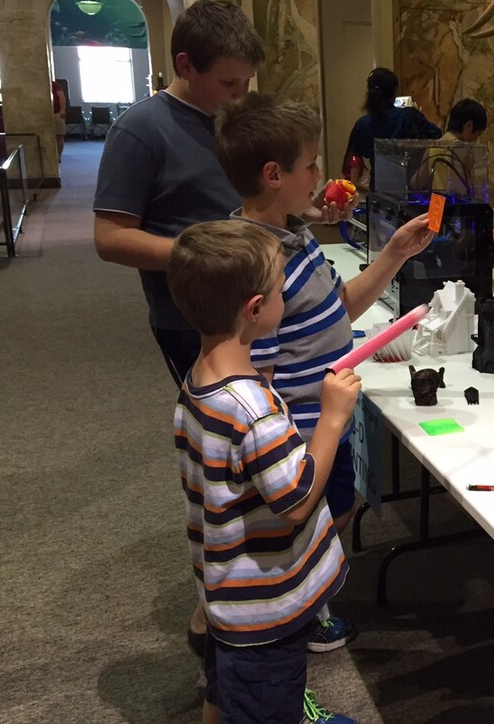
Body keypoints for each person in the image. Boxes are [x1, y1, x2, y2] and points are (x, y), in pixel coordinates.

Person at [217, 91, 436, 648]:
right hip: (302, 434)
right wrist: (287, 448)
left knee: (340, 504)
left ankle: (305, 598)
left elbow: (339, 306)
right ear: (274, 174)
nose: (321, 176)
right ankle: (292, 611)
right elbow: (253, 378)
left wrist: (395, 255)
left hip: (325, 420)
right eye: (311, 165)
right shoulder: (259, 265)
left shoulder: (295, 235)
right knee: (315, 517)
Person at [168, 219, 362, 724]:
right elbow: (296, 499)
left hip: (226, 596)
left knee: (225, 689)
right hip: (266, 612)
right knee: (266, 703)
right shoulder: (253, 411)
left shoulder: (198, 382)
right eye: (279, 291)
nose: (284, 298)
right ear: (257, 310)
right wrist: (332, 418)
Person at [93, 0, 266, 387]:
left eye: (246, 82)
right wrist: (207, 256)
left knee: (268, 424)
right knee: (223, 424)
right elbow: (109, 238)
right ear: (185, 66)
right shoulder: (139, 130)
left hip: (255, 305)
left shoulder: (233, 122)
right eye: (228, 83)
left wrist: (309, 206)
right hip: (192, 319)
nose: (241, 94)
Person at [341, 67, 442, 189]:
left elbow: (353, 157)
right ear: (394, 91)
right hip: (410, 190)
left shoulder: (362, 124)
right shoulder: (408, 116)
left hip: (379, 191)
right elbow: (437, 135)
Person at [52, 80, 67, 162]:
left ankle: (58, 157)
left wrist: (62, 110)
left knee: (59, 136)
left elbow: (61, 96)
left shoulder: (54, 84)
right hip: (45, 114)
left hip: (57, 113)